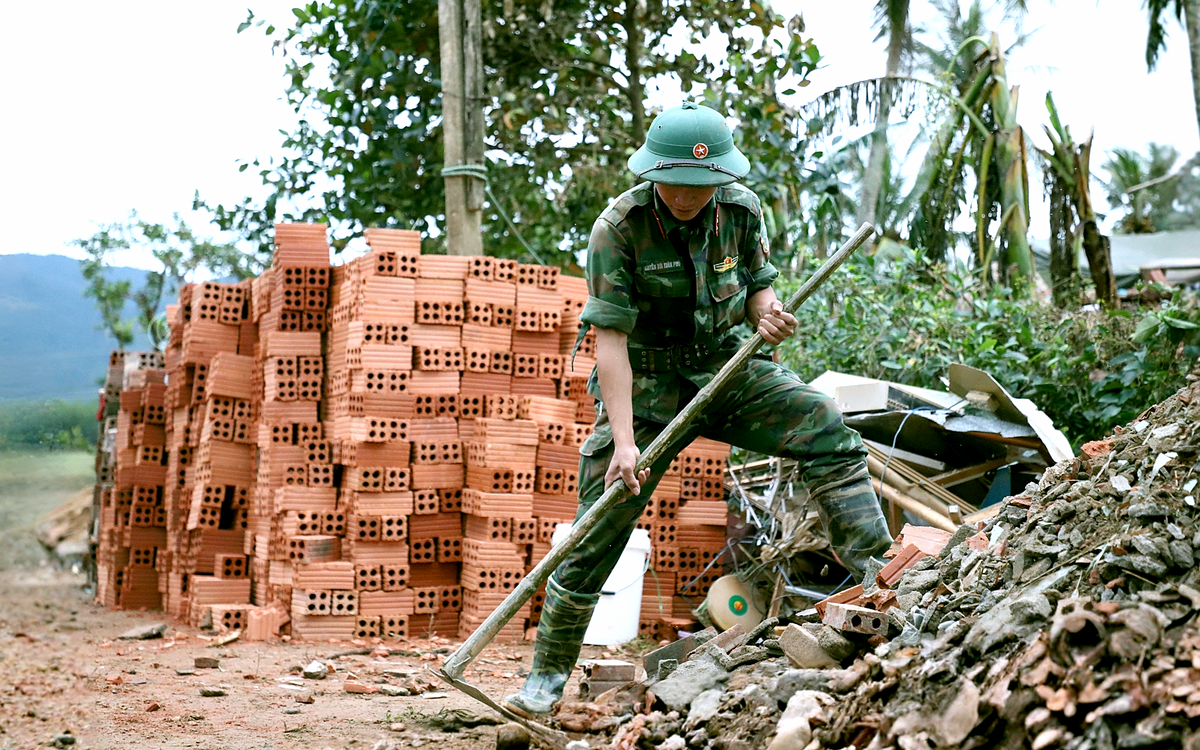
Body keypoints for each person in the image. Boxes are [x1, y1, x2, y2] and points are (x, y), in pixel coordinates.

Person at [503, 101, 893, 716]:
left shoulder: (740, 209)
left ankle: (882, 579)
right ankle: (545, 679)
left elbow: (757, 284)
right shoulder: (618, 230)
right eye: (677, 183)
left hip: (726, 368)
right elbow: (610, 345)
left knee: (824, 422)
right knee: (599, 524)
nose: (688, 195)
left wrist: (766, 312)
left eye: (701, 185)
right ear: (654, 173)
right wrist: (626, 442)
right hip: (648, 389)